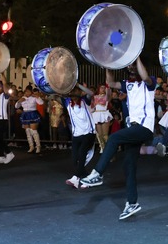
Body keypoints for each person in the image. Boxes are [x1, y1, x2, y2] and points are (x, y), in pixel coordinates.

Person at [79, 55, 156, 221]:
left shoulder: (149, 83)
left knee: (113, 138)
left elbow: (144, 76)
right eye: (129, 66)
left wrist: (136, 56)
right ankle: (132, 203)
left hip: (144, 127)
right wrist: (107, 64)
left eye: (133, 65)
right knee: (129, 167)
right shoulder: (127, 84)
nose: (131, 67)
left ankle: (97, 173)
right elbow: (111, 83)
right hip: (133, 128)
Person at [63, 82, 96, 189]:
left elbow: (91, 93)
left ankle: (76, 177)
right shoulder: (67, 102)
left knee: (82, 154)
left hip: (88, 133)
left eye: (76, 94)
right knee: (75, 159)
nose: (74, 96)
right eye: (72, 94)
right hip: (76, 134)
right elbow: (54, 95)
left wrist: (77, 85)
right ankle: (88, 178)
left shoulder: (85, 101)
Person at [16, 85, 44, 154]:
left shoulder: (34, 97)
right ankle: (31, 146)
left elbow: (41, 103)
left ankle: (38, 146)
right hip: (25, 114)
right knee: (27, 131)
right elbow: (16, 106)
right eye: (26, 91)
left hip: (33, 114)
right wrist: (19, 101)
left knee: (33, 131)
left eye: (28, 91)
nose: (27, 93)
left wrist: (37, 96)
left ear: (31, 92)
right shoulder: (23, 98)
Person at [91, 84, 113, 154]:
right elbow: (92, 107)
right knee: (99, 135)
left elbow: (109, 94)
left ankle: (108, 149)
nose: (103, 89)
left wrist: (108, 87)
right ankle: (102, 147)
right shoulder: (94, 97)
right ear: (98, 89)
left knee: (105, 135)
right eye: (101, 88)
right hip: (97, 115)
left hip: (104, 114)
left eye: (104, 88)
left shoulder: (107, 96)